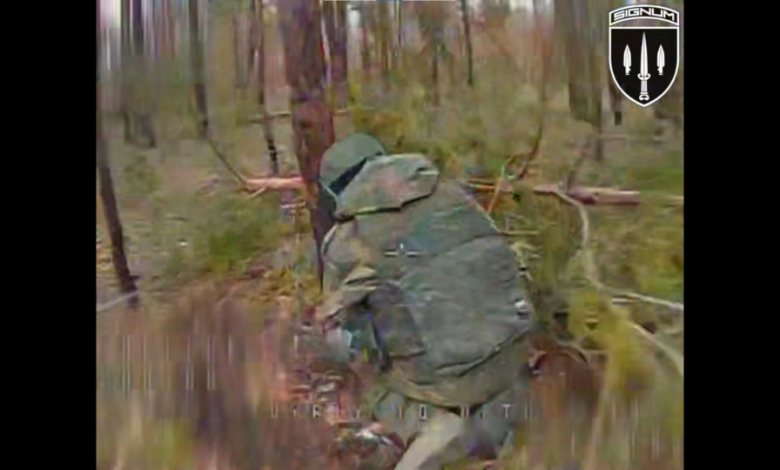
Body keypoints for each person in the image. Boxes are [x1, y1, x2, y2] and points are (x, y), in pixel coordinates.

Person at [302, 133, 538, 470]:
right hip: (513, 356)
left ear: (336, 190)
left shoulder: (345, 242)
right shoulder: (456, 195)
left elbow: (352, 338)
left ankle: (420, 422)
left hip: (449, 385)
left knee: (339, 336)